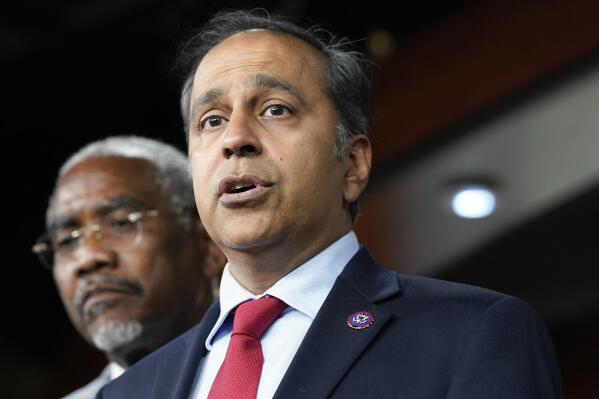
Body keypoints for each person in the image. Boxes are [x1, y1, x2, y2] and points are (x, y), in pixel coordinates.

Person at [97, 10, 562, 399]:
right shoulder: (128, 392)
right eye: (211, 120)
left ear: (353, 164)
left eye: (275, 109)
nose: (235, 138)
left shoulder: (474, 335)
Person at [32, 136, 224, 399]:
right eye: (67, 241)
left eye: (121, 223)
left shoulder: (274, 374)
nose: (88, 258)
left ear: (208, 243)